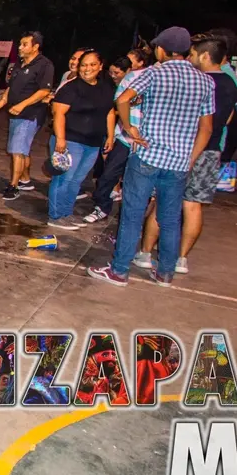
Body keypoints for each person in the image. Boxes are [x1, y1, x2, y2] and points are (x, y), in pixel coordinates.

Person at [88, 27, 214, 287]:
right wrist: (191, 157)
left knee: (133, 213)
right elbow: (207, 128)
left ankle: (119, 270)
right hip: (178, 161)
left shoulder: (155, 73)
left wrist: (130, 129)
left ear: (161, 50)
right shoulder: (205, 81)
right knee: (169, 218)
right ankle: (165, 273)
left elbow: (123, 100)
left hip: (147, 155)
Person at [135, 33, 237, 274]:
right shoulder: (231, 85)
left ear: (204, 55)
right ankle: (181, 259)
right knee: (193, 206)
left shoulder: (199, 81)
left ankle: (145, 253)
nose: (189, 59)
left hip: (182, 148)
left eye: (192, 55)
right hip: (211, 151)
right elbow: (227, 119)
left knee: (163, 203)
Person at [44, 50, 114, 230]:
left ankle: (66, 213)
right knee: (63, 179)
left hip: (93, 143)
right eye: (84, 65)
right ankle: (55, 215)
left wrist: (111, 136)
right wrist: (61, 139)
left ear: (100, 66)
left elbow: (109, 112)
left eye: (92, 65)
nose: (87, 69)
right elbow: (58, 113)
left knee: (77, 180)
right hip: (70, 140)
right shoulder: (71, 88)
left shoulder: (105, 87)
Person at [0, 32, 54, 201]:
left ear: (35, 46)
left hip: (31, 114)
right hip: (15, 114)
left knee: (17, 150)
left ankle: (13, 186)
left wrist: (22, 105)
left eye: (24, 44)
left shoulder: (44, 65)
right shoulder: (19, 64)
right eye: (20, 44)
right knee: (20, 150)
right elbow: (11, 88)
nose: (20, 47)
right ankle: (25, 180)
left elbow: (44, 91)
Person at [82, 56, 141, 224]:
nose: (113, 75)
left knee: (138, 183)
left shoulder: (157, 78)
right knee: (107, 176)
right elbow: (117, 104)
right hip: (125, 138)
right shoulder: (131, 79)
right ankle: (102, 207)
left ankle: (135, 220)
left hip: (147, 142)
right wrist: (119, 132)